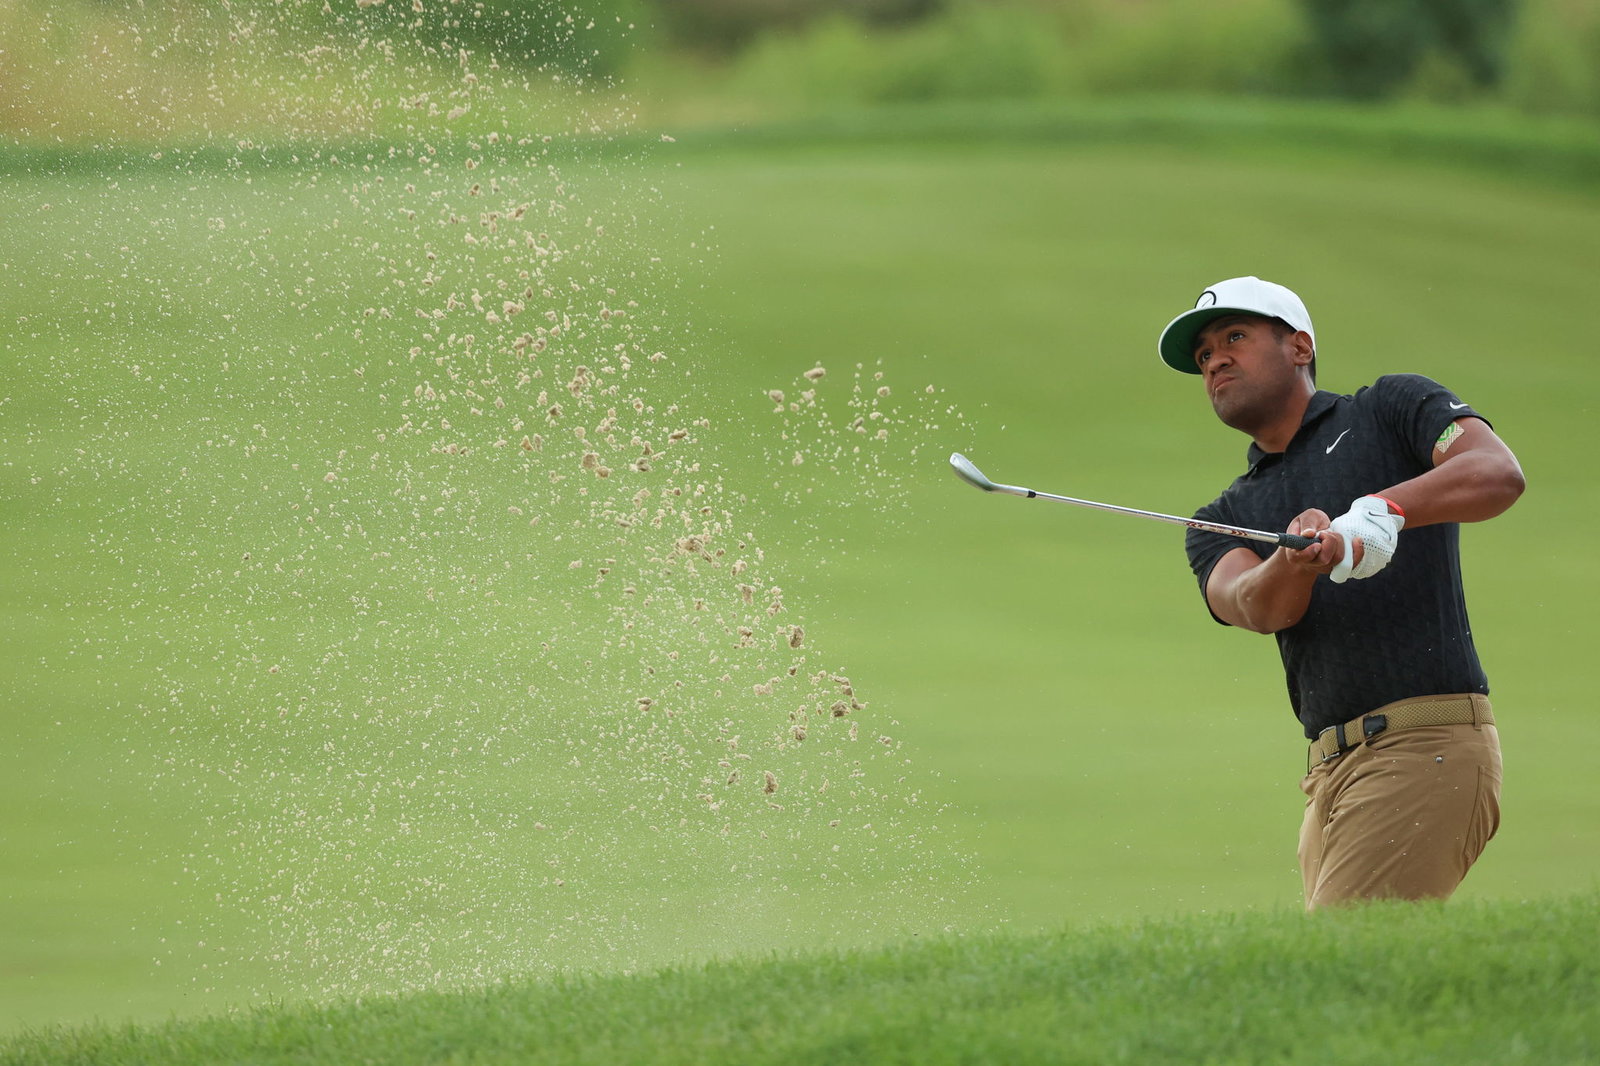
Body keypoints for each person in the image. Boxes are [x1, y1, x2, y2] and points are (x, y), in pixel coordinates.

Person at [1158, 276, 1525, 909]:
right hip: (1327, 776)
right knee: (1357, 983)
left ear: (1299, 347)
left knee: (1343, 962)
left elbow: (1495, 473)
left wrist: (1377, 512)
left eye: (1235, 338)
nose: (1214, 359)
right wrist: (1296, 561)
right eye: (1203, 356)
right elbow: (1252, 603)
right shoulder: (1221, 516)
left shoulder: (1389, 410)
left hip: (1425, 746)